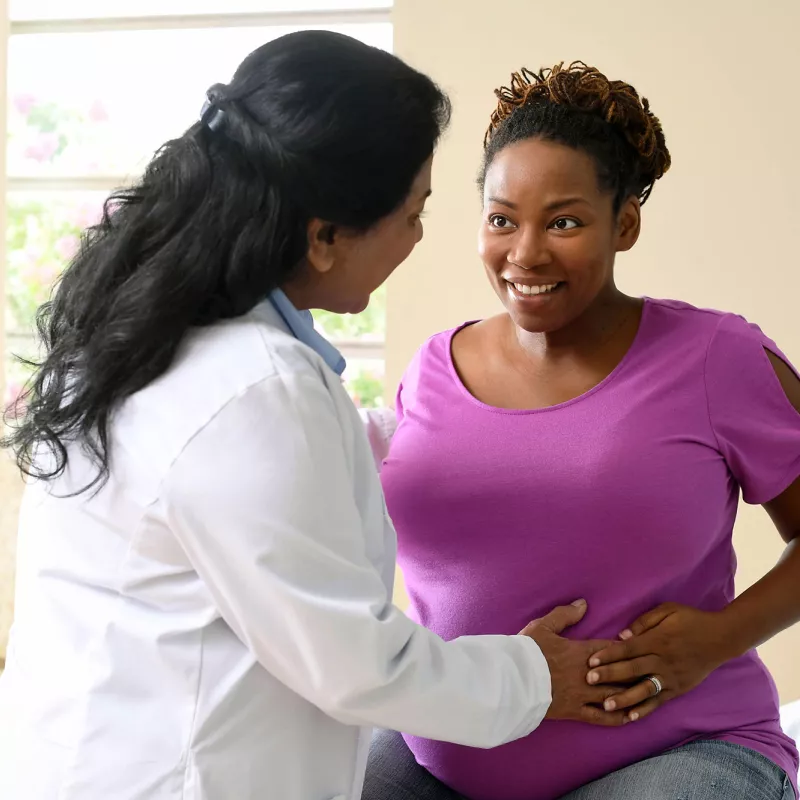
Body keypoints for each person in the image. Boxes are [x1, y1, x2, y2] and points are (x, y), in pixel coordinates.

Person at [0, 36, 626, 800]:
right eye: (413, 213)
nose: (418, 238)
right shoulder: (255, 390)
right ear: (325, 236)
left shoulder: (132, 332)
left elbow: (242, 498)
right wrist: (534, 677)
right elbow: (357, 664)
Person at [364, 62, 800, 800]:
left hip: (677, 752)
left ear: (624, 222)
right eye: (502, 219)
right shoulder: (434, 366)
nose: (526, 253)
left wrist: (719, 638)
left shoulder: (715, 358)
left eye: (563, 221)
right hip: (440, 755)